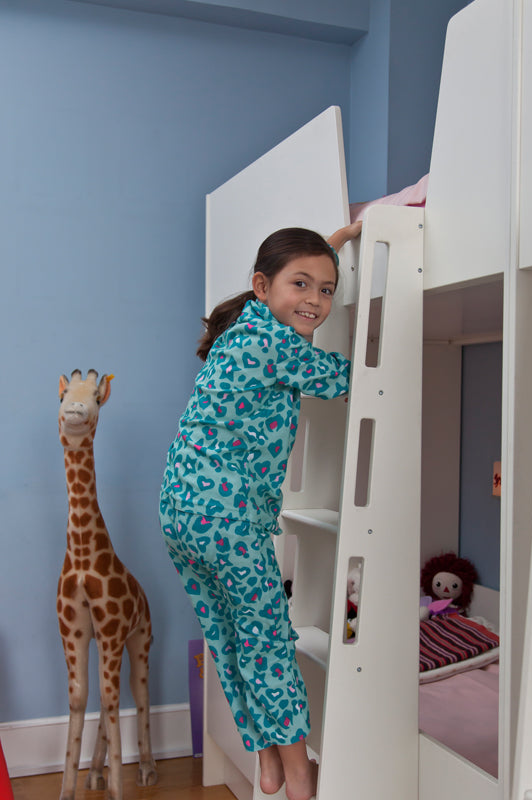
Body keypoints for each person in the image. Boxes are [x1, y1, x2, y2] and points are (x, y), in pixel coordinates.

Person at [159, 223, 360, 800]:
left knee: (229, 636)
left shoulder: (241, 330)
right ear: (261, 285)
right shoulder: (274, 343)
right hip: (225, 516)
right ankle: (300, 777)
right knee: (267, 642)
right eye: (302, 285)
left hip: (182, 509)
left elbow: (294, 283)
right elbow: (350, 382)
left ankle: (268, 762)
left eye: (328, 289)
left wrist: (333, 242)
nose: (317, 302)